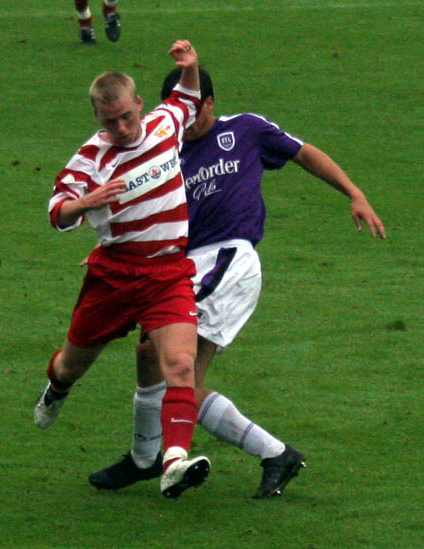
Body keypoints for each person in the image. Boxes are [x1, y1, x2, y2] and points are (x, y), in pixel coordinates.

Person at [88, 67, 386, 498]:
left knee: (175, 369)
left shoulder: (245, 129)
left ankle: (254, 453)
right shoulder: (162, 150)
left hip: (228, 260)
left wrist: (354, 193)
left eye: (194, 109)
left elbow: (304, 153)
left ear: (208, 103)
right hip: (182, 266)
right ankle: (156, 455)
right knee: (151, 355)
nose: (185, 119)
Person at [34, 40, 211, 499]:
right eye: (109, 122)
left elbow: (187, 99)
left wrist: (190, 67)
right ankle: (56, 389)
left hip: (167, 272)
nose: (121, 128)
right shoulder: (90, 159)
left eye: (127, 117)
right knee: (72, 365)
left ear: (140, 104)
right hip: (113, 276)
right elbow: (56, 212)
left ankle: (174, 461)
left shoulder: (164, 124)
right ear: (97, 117)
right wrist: (85, 203)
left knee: (180, 363)